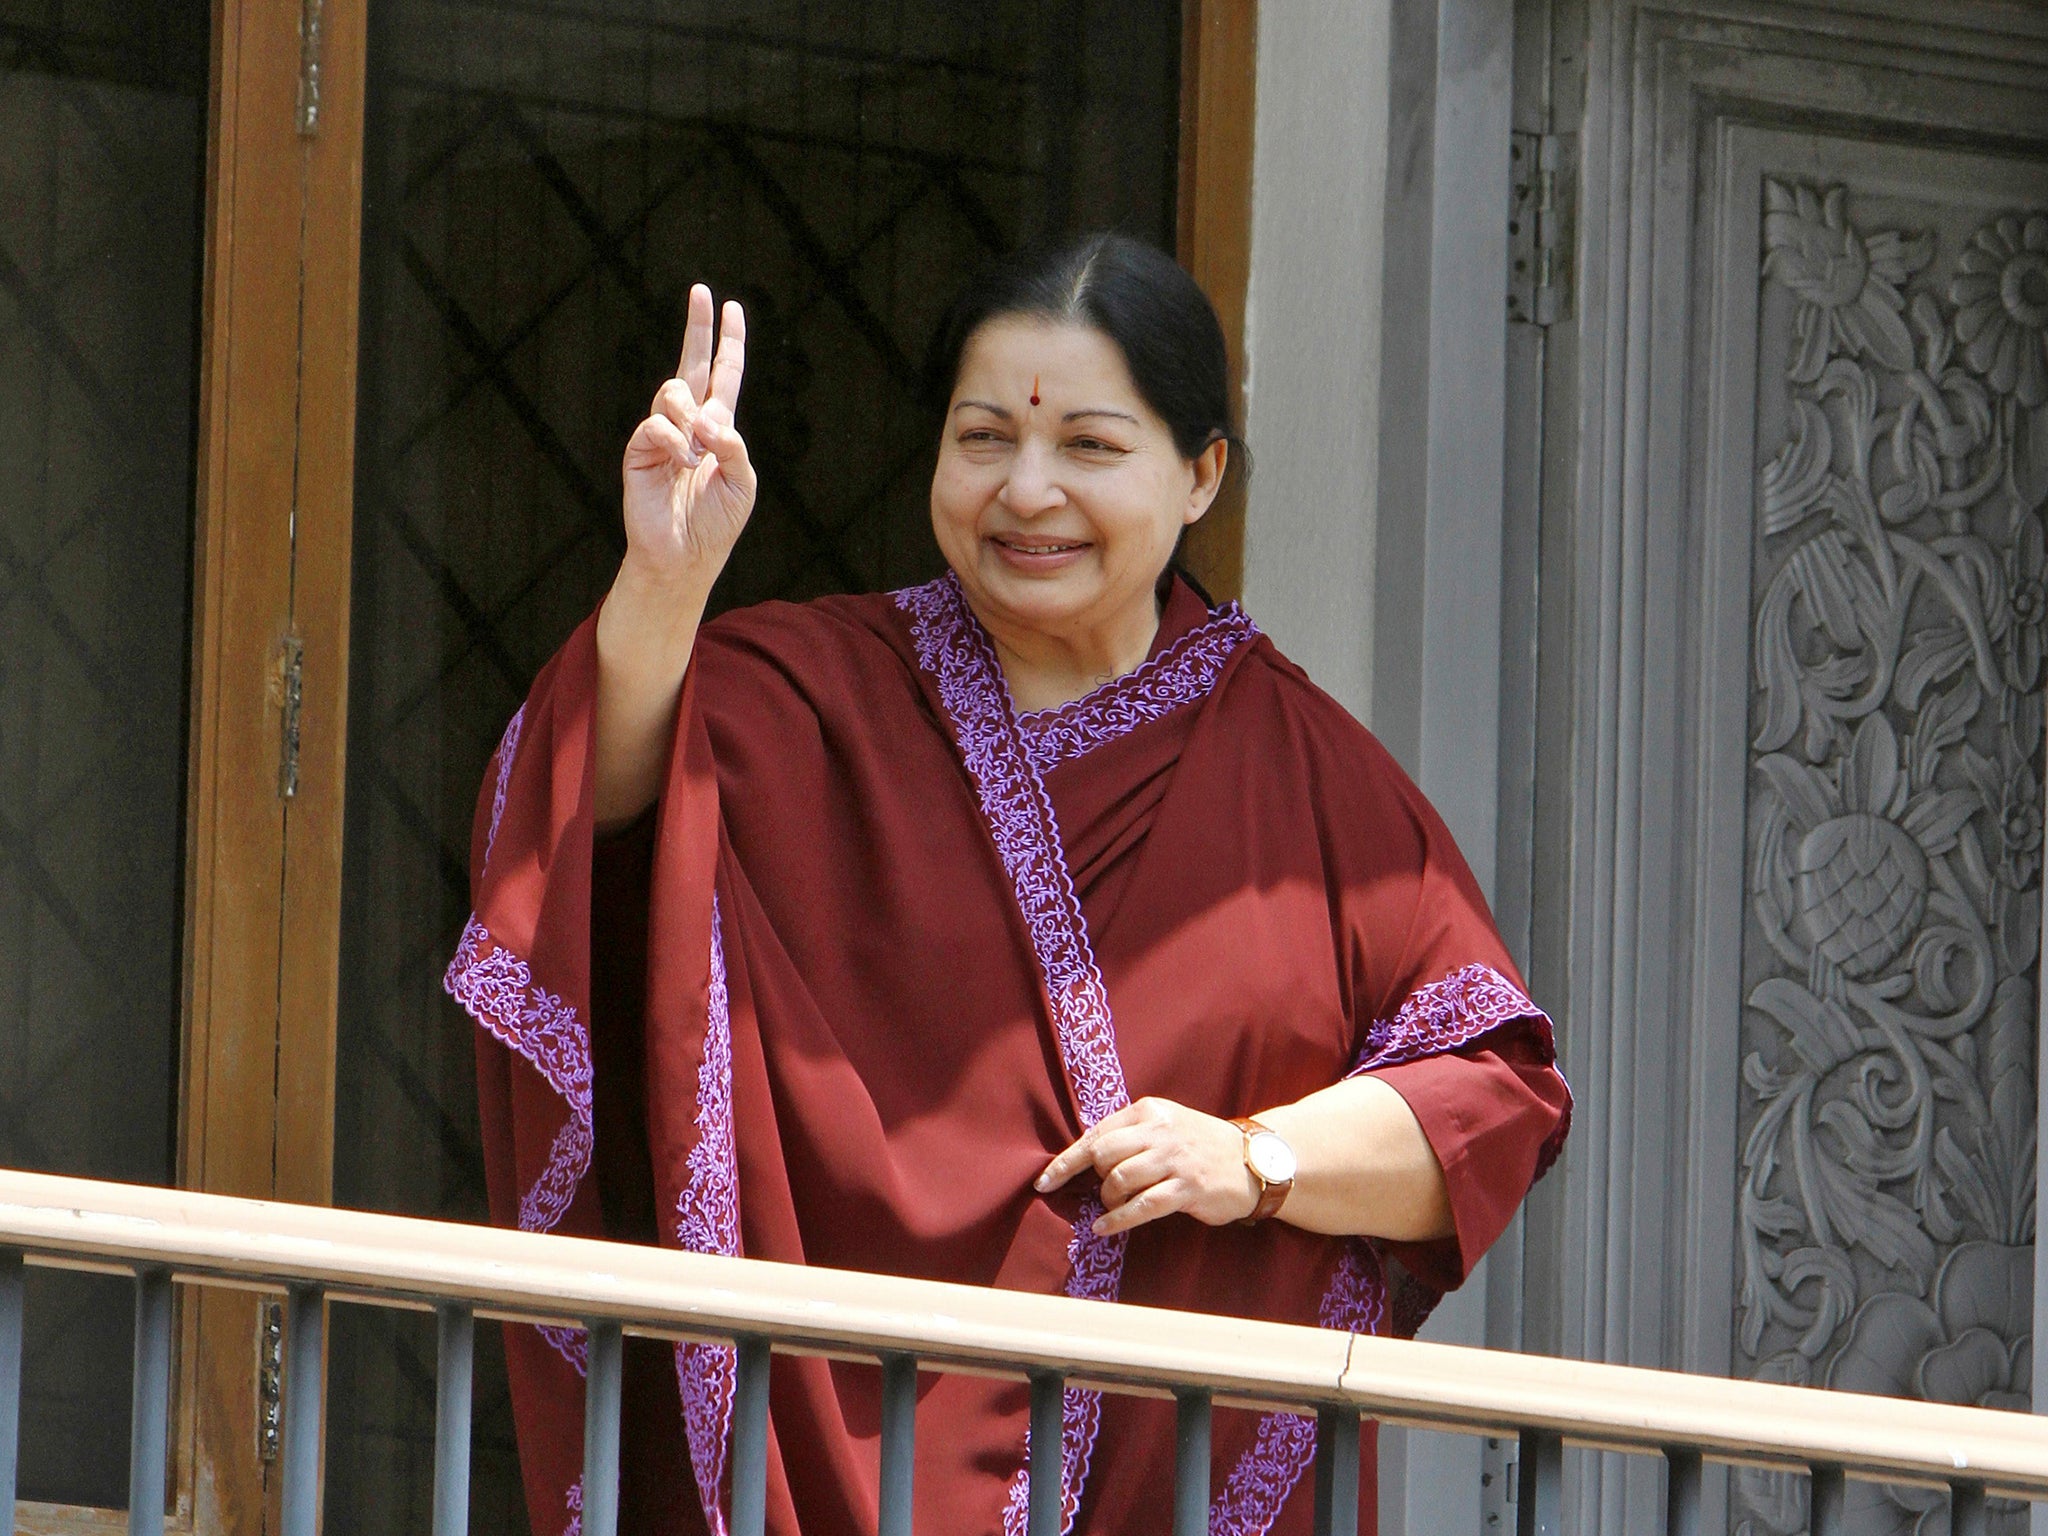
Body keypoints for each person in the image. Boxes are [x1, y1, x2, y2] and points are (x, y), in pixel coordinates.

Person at [449, 233, 1570, 1536]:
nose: (1027, 490)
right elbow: (600, 820)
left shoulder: (1311, 777)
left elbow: (1494, 1097)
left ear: (1202, 475)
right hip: (829, 1454)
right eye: (984, 439)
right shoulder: (812, 693)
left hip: (1164, 1474)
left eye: (1090, 447)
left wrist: (1254, 1158)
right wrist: (666, 578)